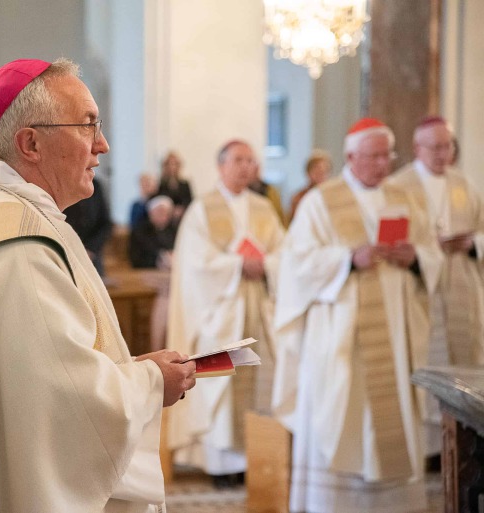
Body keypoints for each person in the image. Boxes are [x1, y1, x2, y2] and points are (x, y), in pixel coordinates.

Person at [0, 58, 196, 513]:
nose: (102, 145)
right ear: (30, 143)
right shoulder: (19, 247)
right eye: (88, 126)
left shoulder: (14, 218)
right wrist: (151, 383)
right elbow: (65, 401)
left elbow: (43, 372)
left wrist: (130, 367)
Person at [272, 118, 443, 513]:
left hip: (395, 329)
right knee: (340, 412)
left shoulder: (407, 198)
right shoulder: (320, 200)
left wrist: (416, 258)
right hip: (338, 333)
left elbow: (431, 252)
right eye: (374, 155)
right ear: (351, 156)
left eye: (388, 155)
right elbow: (296, 264)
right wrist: (348, 259)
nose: (383, 163)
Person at [167, 139, 285, 487]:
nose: (245, 166)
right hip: (221, 313)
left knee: (260, 383)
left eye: (250, 160)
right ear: (221, 166)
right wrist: (237, 266)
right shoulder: (202, 209)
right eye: (238, 160)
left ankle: (255, 460)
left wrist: (266, 265)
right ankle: (220, 466)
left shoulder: (264, 208)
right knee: (220, 383)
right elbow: (194, 265)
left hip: (259, 309)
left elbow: (285, 253)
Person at [387, 116, 484, 454]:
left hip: (461, 285)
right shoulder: (398, 186)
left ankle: (467, 441)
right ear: (417, 148)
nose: (443, 154)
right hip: (420, 289)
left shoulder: (464, 185)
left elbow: (482, 231)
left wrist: (472, 244)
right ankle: (429, 449)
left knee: (465, 357)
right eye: (436, 147)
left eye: (448, 146)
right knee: (425, 358)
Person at [63, 175, 113, 275]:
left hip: (92, 255)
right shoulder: (61, 183)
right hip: (65, 253)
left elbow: (105, 223)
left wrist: (91, 249)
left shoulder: (96, 185)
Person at [128, 195, 177, 269]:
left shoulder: (173, 230)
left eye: (166, 213)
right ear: (150, 213)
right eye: (160, 212)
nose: (163, 216)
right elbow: (137, 258)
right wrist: (159, 260)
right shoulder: (140, 231)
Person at [288, 149, 332, 222]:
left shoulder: (333, 197)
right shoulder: (298, 198)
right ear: (308, 172)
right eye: (317, 170)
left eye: (325, 171)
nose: (321, 174)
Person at [157, 151, 192, 221]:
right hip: (166, 219)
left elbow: (189, 200)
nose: (172, 167)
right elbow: (161, 200)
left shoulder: (184, 184)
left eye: (174, 164)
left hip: (183, 217)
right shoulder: (161, 184)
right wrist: (171, 210)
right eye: (170, 164)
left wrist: (181, 209)